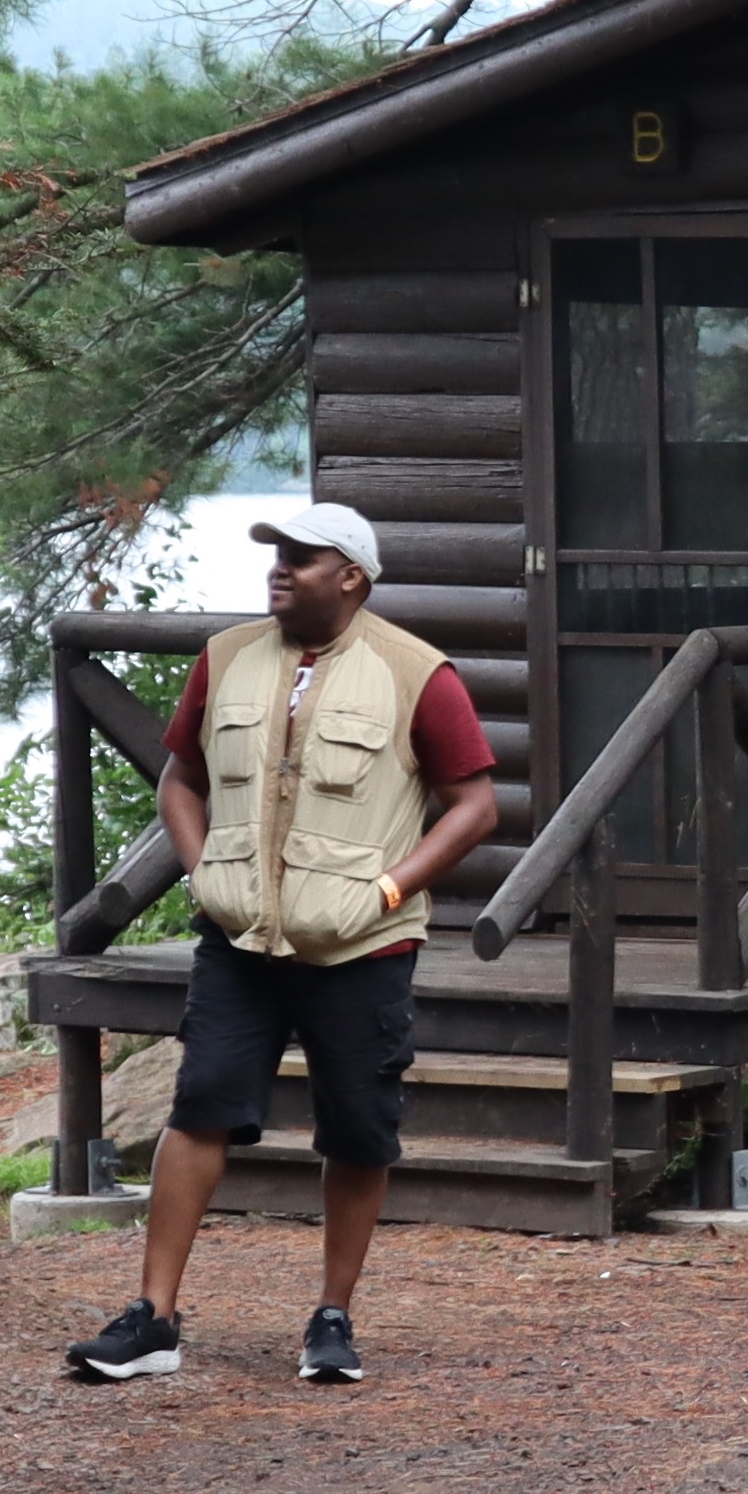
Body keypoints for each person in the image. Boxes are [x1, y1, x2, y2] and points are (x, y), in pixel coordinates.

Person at [62, 505, 501, 1388]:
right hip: (239, 941)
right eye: (276, 554)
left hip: (362, 948)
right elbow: (182, 779)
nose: (281, 568)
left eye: (302, 558)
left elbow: (475, 806)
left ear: (353, 577)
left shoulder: (417, 673)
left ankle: (333, 1317)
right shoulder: (226, 657)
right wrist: (201, 866)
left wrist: (388, 888)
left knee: (358, 1130)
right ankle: (154, 1317)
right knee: (199, 1107)